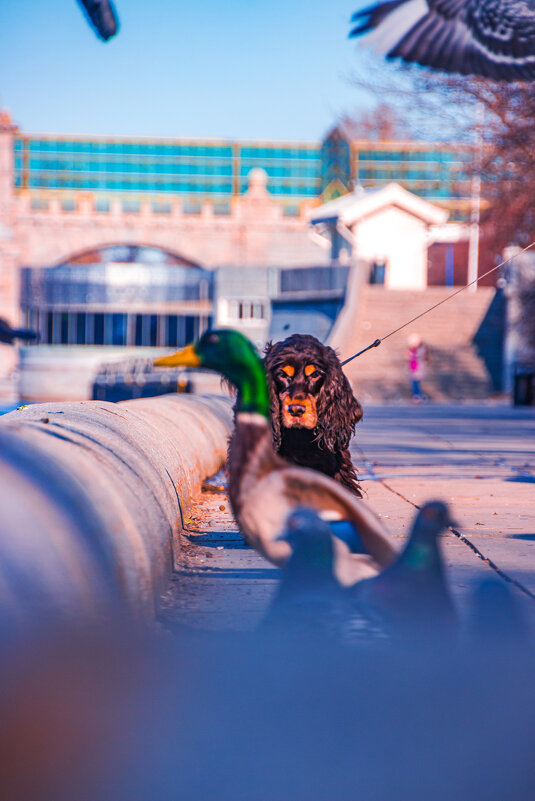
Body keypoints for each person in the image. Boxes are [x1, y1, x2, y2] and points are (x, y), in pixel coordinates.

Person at [406, 333, 427, 403]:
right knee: (414, 383)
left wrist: (411, 354)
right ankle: (416, 396)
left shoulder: (421, 348)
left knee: (416, 383)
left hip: (418, 369)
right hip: (413, 369)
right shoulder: (412, 349)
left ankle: (417, 396)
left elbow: (419, 355)